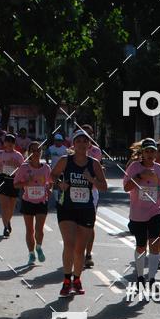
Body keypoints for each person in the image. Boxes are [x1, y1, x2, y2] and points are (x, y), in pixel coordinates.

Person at [51, 129, 108, 296]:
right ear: (73, 144)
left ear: (89, 145)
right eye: (79, 141)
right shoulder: (65, 161)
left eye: (85, 141)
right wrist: (60, 183)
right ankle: (66, 280)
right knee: (69, 243)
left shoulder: (94, 164)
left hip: (86, 209)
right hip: (67, 207)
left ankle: (77, 278)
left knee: (80, 248)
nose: (82, 144)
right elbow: (52, 176)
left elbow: (104, 187)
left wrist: (92, 180)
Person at [123, 137, 160, 292]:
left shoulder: (159, 169)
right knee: (141, 246)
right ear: (142, 152)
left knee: (154, 244)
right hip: (138, 213)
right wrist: (140, 176)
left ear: (156, 154)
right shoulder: (134, 167)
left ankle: (152, 278)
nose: (150, 154)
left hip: (156, 210)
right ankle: (140, 276)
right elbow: (126, 187)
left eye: (153, 151)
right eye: (147, 151)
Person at [13, 141, 51, 263]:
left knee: (39, 229)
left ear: (41, 152)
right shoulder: (24, 167)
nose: (36, 153)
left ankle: (38, 247)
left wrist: (49, 189)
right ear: (29, 153)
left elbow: (50, 183)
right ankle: (31, 254)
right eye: (33, 150)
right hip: (28, 201)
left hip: (41, 201)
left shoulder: (46, 168)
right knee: (30, 230)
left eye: (38, 150)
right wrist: (26, 183)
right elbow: (16, 184)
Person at [81, 124, 103, 269]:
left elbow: (97, 170)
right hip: (74, 190)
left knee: (90, 223)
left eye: (89, 135)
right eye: (83, 135)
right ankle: (78, 251)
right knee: (76, 224)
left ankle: (88, 253)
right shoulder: (72, 150)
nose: (86, 138)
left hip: (91, 190)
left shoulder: (96, 151)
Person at [0, 133, 24, 237]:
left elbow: (23, 169)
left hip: (14, 180)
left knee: (11, 206)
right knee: (4, 205)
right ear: (5, 143)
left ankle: (8, 221)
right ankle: (6, 227)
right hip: (3, 179)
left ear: (14, 144)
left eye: (12, 142)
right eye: (8, 142)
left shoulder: (18, 155)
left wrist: (17, 165)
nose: (10, 144)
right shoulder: (0, 153)